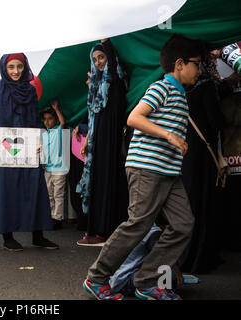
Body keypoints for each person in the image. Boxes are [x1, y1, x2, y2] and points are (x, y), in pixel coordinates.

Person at [83, 34, 202, 300]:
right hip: (146, 168)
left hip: (170, 172)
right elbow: (135, 117)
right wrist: (169, 135)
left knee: (183, 225)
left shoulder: (182, 96)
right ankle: (97, 278)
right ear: (180, 64)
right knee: (138, 223)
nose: (200, 70)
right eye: (197, 63)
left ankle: (147, 282)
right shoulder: (161, 88)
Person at [0, 53, 58, 252]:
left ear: (25, 68)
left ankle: (38, 235)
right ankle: (7, 237)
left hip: (28, 147)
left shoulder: (31, 91)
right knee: (7, 191)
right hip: (5, 148)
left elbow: (35, 121)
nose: (16, 72)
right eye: (11, 67)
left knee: (35, 189)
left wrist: (39, 141)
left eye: (20, 67)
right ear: (4, 69)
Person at [181, 47, 230, 273]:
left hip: (185, 155)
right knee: (204, 204)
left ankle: (185, 257)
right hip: (204, 155)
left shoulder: (179, 90)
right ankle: (202, 257)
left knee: (188, 205)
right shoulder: (207, 87)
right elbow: (216, 121)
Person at [76, 38, 129, 246]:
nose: (99, 62)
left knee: (108, 181)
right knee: (96, 182)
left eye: (102, 57)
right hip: (98, 140)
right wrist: (87, 140)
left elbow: (113, 63)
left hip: (111, 140)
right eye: (95, 59)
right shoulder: (96, 86)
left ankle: (105, 231)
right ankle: (96, 230)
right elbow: (93, 116)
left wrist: (106, 40)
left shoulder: (115, 79)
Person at [41, 99, 68, 230]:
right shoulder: (44, 134)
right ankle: (51, 216)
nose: (47, 121)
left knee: (58, 194)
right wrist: (42, 163)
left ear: (55, 120)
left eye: (50, 119)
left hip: (60, 168)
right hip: (48, 168)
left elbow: (63, 122)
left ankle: (58, 218)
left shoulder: (59, 131)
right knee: (49, 193)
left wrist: (56, 109)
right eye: (45, 119)